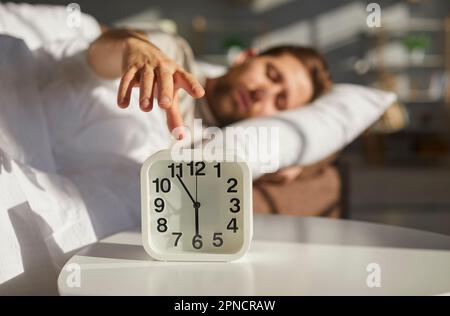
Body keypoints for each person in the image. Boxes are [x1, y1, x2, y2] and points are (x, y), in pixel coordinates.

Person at [86, 27, 333, 182]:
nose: (263, 92)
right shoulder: (173, 53)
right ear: (246, 56)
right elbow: (97, 53)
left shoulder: (219, 149)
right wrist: (136, 48)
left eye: (280, 101)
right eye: (271, 74)